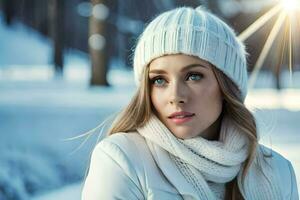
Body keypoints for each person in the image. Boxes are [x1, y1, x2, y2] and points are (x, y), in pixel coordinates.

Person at [81, 6, 299, 200]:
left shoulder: (276, 171)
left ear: (227, 86)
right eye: (159, 80)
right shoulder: (122, 160)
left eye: (193, 76)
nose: (175, 96)